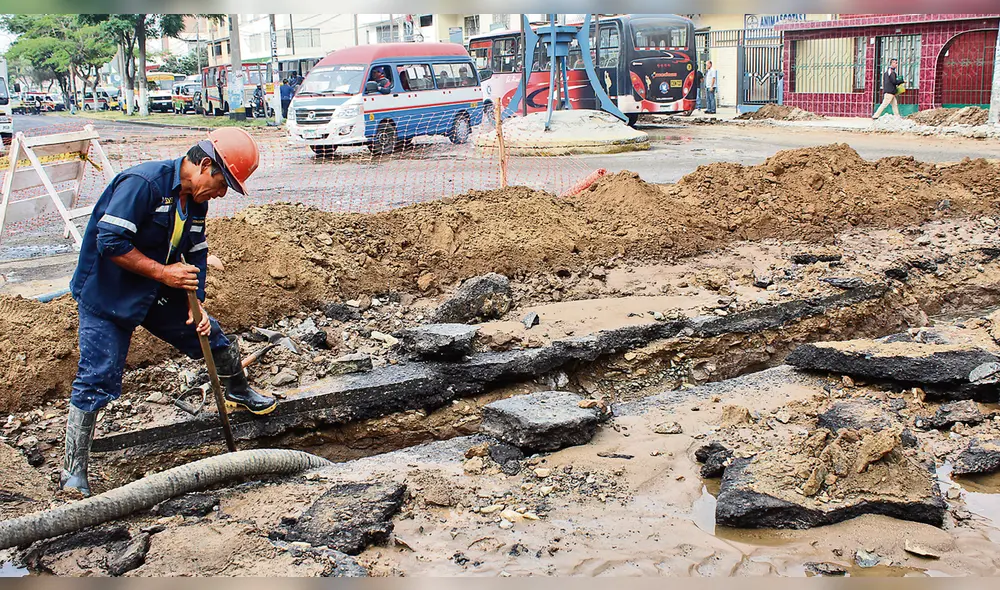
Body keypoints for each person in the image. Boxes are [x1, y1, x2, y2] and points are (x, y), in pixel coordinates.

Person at [61, 128, 276, 498]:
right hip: (108, 290)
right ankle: (73, 472)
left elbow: (195, 254)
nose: (223, 193)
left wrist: (199, 305)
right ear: (205, 164)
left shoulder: (195, 200)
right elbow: (109, 241)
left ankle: (238, 390)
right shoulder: (142, 184)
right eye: (224, 183)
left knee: (212, 337)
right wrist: (163, 273)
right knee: (97, 374)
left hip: (155, 289)